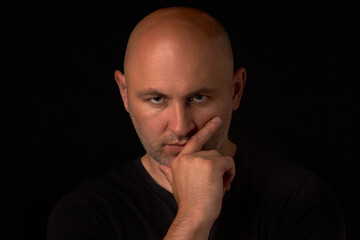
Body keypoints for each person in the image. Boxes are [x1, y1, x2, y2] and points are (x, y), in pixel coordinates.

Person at [47, 7, 345, 240]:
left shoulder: (300, 201)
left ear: (236, 90)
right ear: (124, 94)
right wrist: (192, 219)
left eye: (199, 97)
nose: (180, 127)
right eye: (156, 99)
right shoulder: (84, 217)